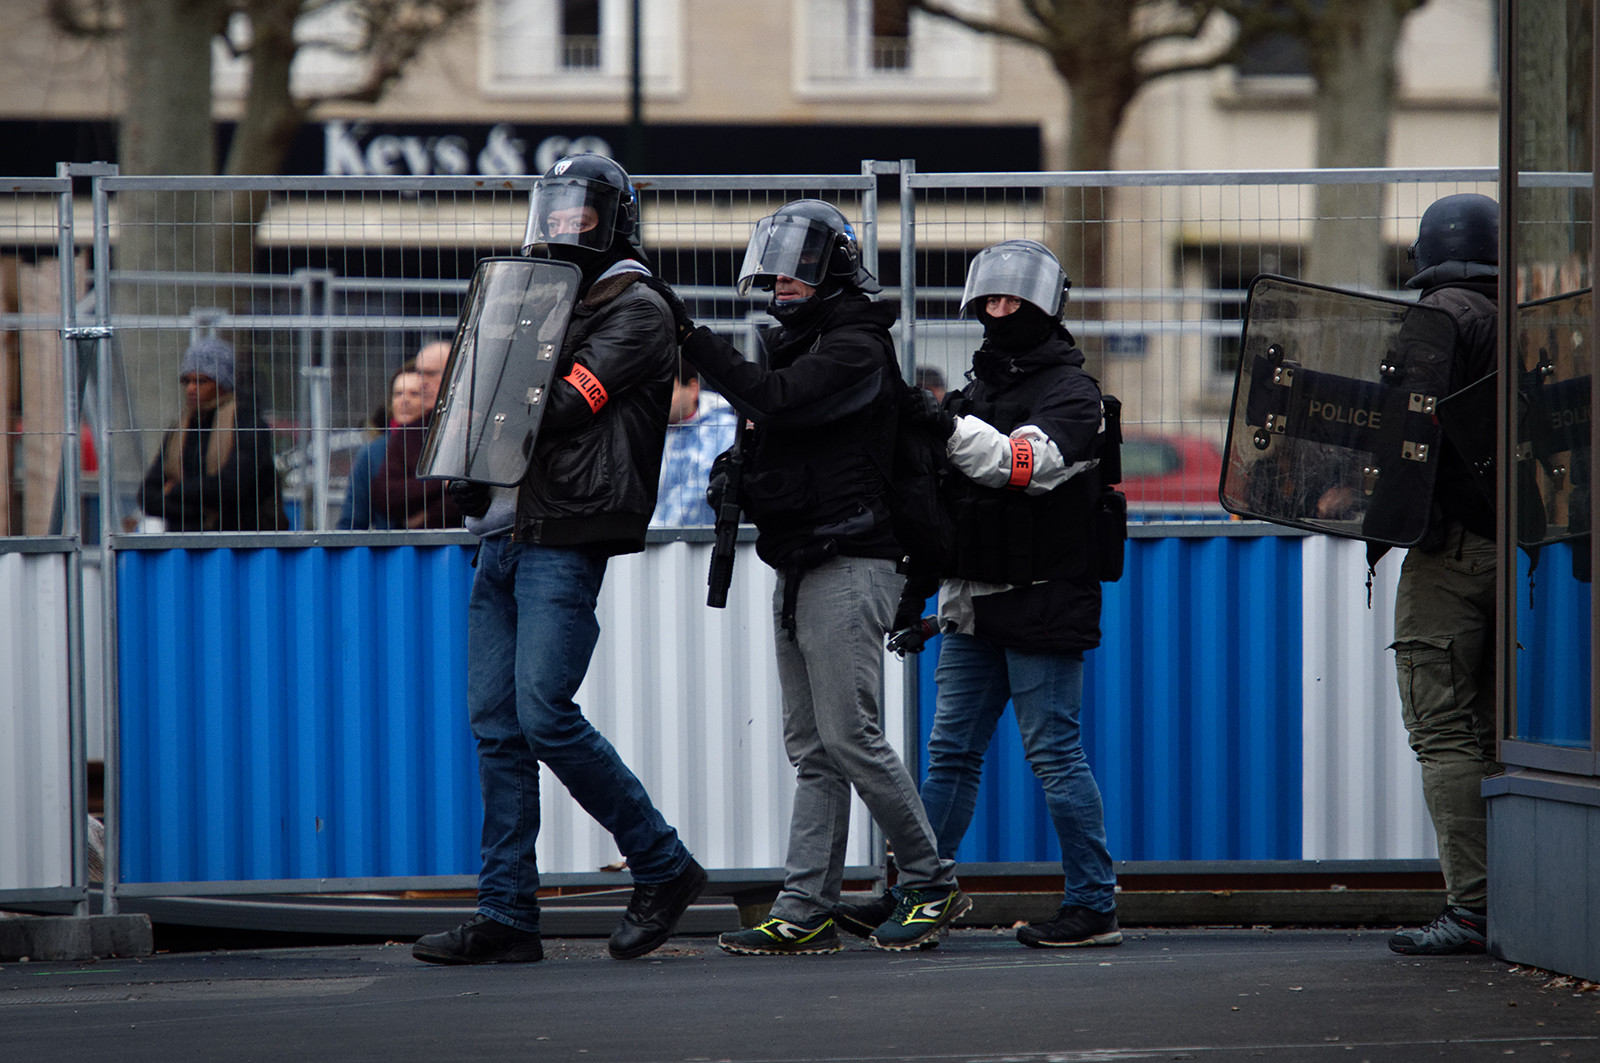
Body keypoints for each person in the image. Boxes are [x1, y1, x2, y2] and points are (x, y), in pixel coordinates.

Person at [411, 153, 705, 966]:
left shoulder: (637, 306)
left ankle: (663, 862)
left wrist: (494, 387)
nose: (561, 222)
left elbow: (562, 403)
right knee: (496, 730)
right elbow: (477, 396)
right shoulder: (544, 295)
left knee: (544, 714)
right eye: (554, 207)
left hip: (564, 533)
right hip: (502, 530)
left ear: (615, 219)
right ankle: (507, 913)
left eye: (582, 210)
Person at [675, 199, 968, 955]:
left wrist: (693, 341)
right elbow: (786, 433)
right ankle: (805, 908)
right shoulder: (804, 345)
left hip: (851, 560)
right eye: (774, 270)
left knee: (850, 735)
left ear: (835, 268)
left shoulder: (857, 346)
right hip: (804, 558)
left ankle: (931, 884)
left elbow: (779, 402)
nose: (781, 282)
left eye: (798, 267)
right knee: (813, 746)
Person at [837, 239, 1123, 950]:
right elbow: (943, 509)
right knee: (950, 756)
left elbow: (1018, 465)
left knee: (1054, 753)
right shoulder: (978, 389)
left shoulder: (1073, 396)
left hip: (1044, 597)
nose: (1000, 311)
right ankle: (917, 893)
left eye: (1014, 301)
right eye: (990, 301)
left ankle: (1094, 904)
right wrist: (917, 595)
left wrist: (940, 420)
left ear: (1044, 307)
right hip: (972, 603)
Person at [1382, 194, 1501, 956]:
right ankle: (1518, 898)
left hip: (1450, 549)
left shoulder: (1437, 317)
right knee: (1497, 732)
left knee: (1443, 729)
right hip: (1522, 550)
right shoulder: (1525, 314)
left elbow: (1401, 429)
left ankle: (1473, 909)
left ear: (1427, 253)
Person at [138, 336, 287, 531]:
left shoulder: (248, 425)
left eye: (201, 381)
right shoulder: (180, 429)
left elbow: (231, 488)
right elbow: (147, 496)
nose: (191, 388)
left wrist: (175, 490)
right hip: (185, 545)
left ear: (222, 383)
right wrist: (202, 508)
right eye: (187, 381)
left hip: (242, 547)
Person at [371, 340, 462, 529]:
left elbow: (481, 497)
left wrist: (426, 516)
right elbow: (386, 496)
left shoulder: (476, 425)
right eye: (419, 373)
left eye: (429, 374)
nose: (422, 382)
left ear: (455, 372)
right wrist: (443, 482)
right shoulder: (410, 433)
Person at [337, 363, 426, 530]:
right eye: (398, 393)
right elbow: (353, 520)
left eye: (414, 394)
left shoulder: (441, 449)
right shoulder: (373, 453)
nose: (404, 400)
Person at [650, 363, 739, 527]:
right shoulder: (646, 431)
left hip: (707, 541)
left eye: (669, 390)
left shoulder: (726, 432)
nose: (658, 400)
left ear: (693, 389)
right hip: (648, 547)